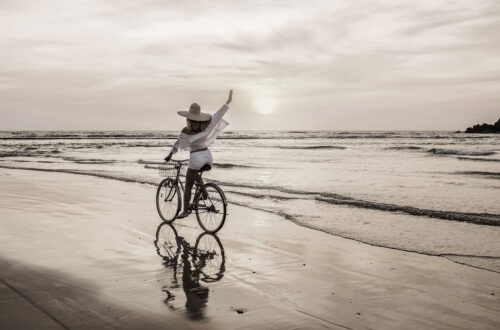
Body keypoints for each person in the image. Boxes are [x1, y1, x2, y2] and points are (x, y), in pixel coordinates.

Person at [164, 90, 233, 219]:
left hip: (196, 158)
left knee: (188, 185)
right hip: (208, 156)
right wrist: (228, 101)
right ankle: (205, 193)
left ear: (188, 118)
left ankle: (184, 211)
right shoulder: (206, 126)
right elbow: (218, 114)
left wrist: (170, 155)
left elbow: (177, 144)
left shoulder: (186, 130)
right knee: (195, 175)